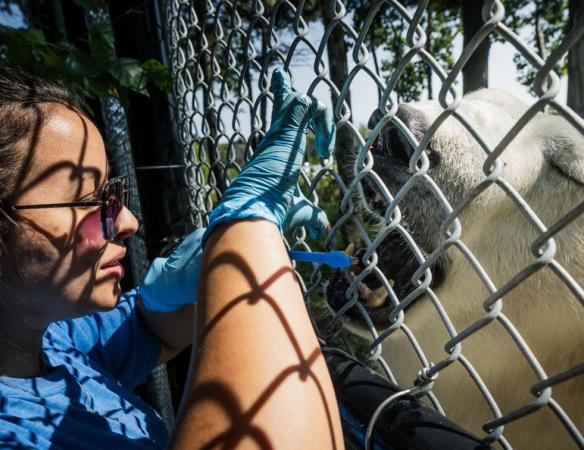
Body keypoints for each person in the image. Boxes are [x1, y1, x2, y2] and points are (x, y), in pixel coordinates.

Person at [0, 66, 343, 449]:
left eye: (112, 195)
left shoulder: (47, 338)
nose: (127, 221)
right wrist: (245, 227)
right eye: (87, 201)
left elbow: (148, 329)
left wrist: (205, 267)